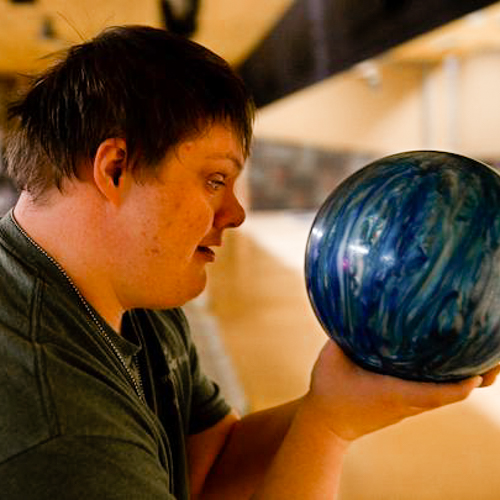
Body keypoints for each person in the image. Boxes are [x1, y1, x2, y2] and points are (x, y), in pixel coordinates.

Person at [0, 25, 497, 500]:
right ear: (115, 168)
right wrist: (329, 427)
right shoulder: (53, 428)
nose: (235, 214)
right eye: (215, 180)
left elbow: (208, 467)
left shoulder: (131, 287)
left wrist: (350, 400)